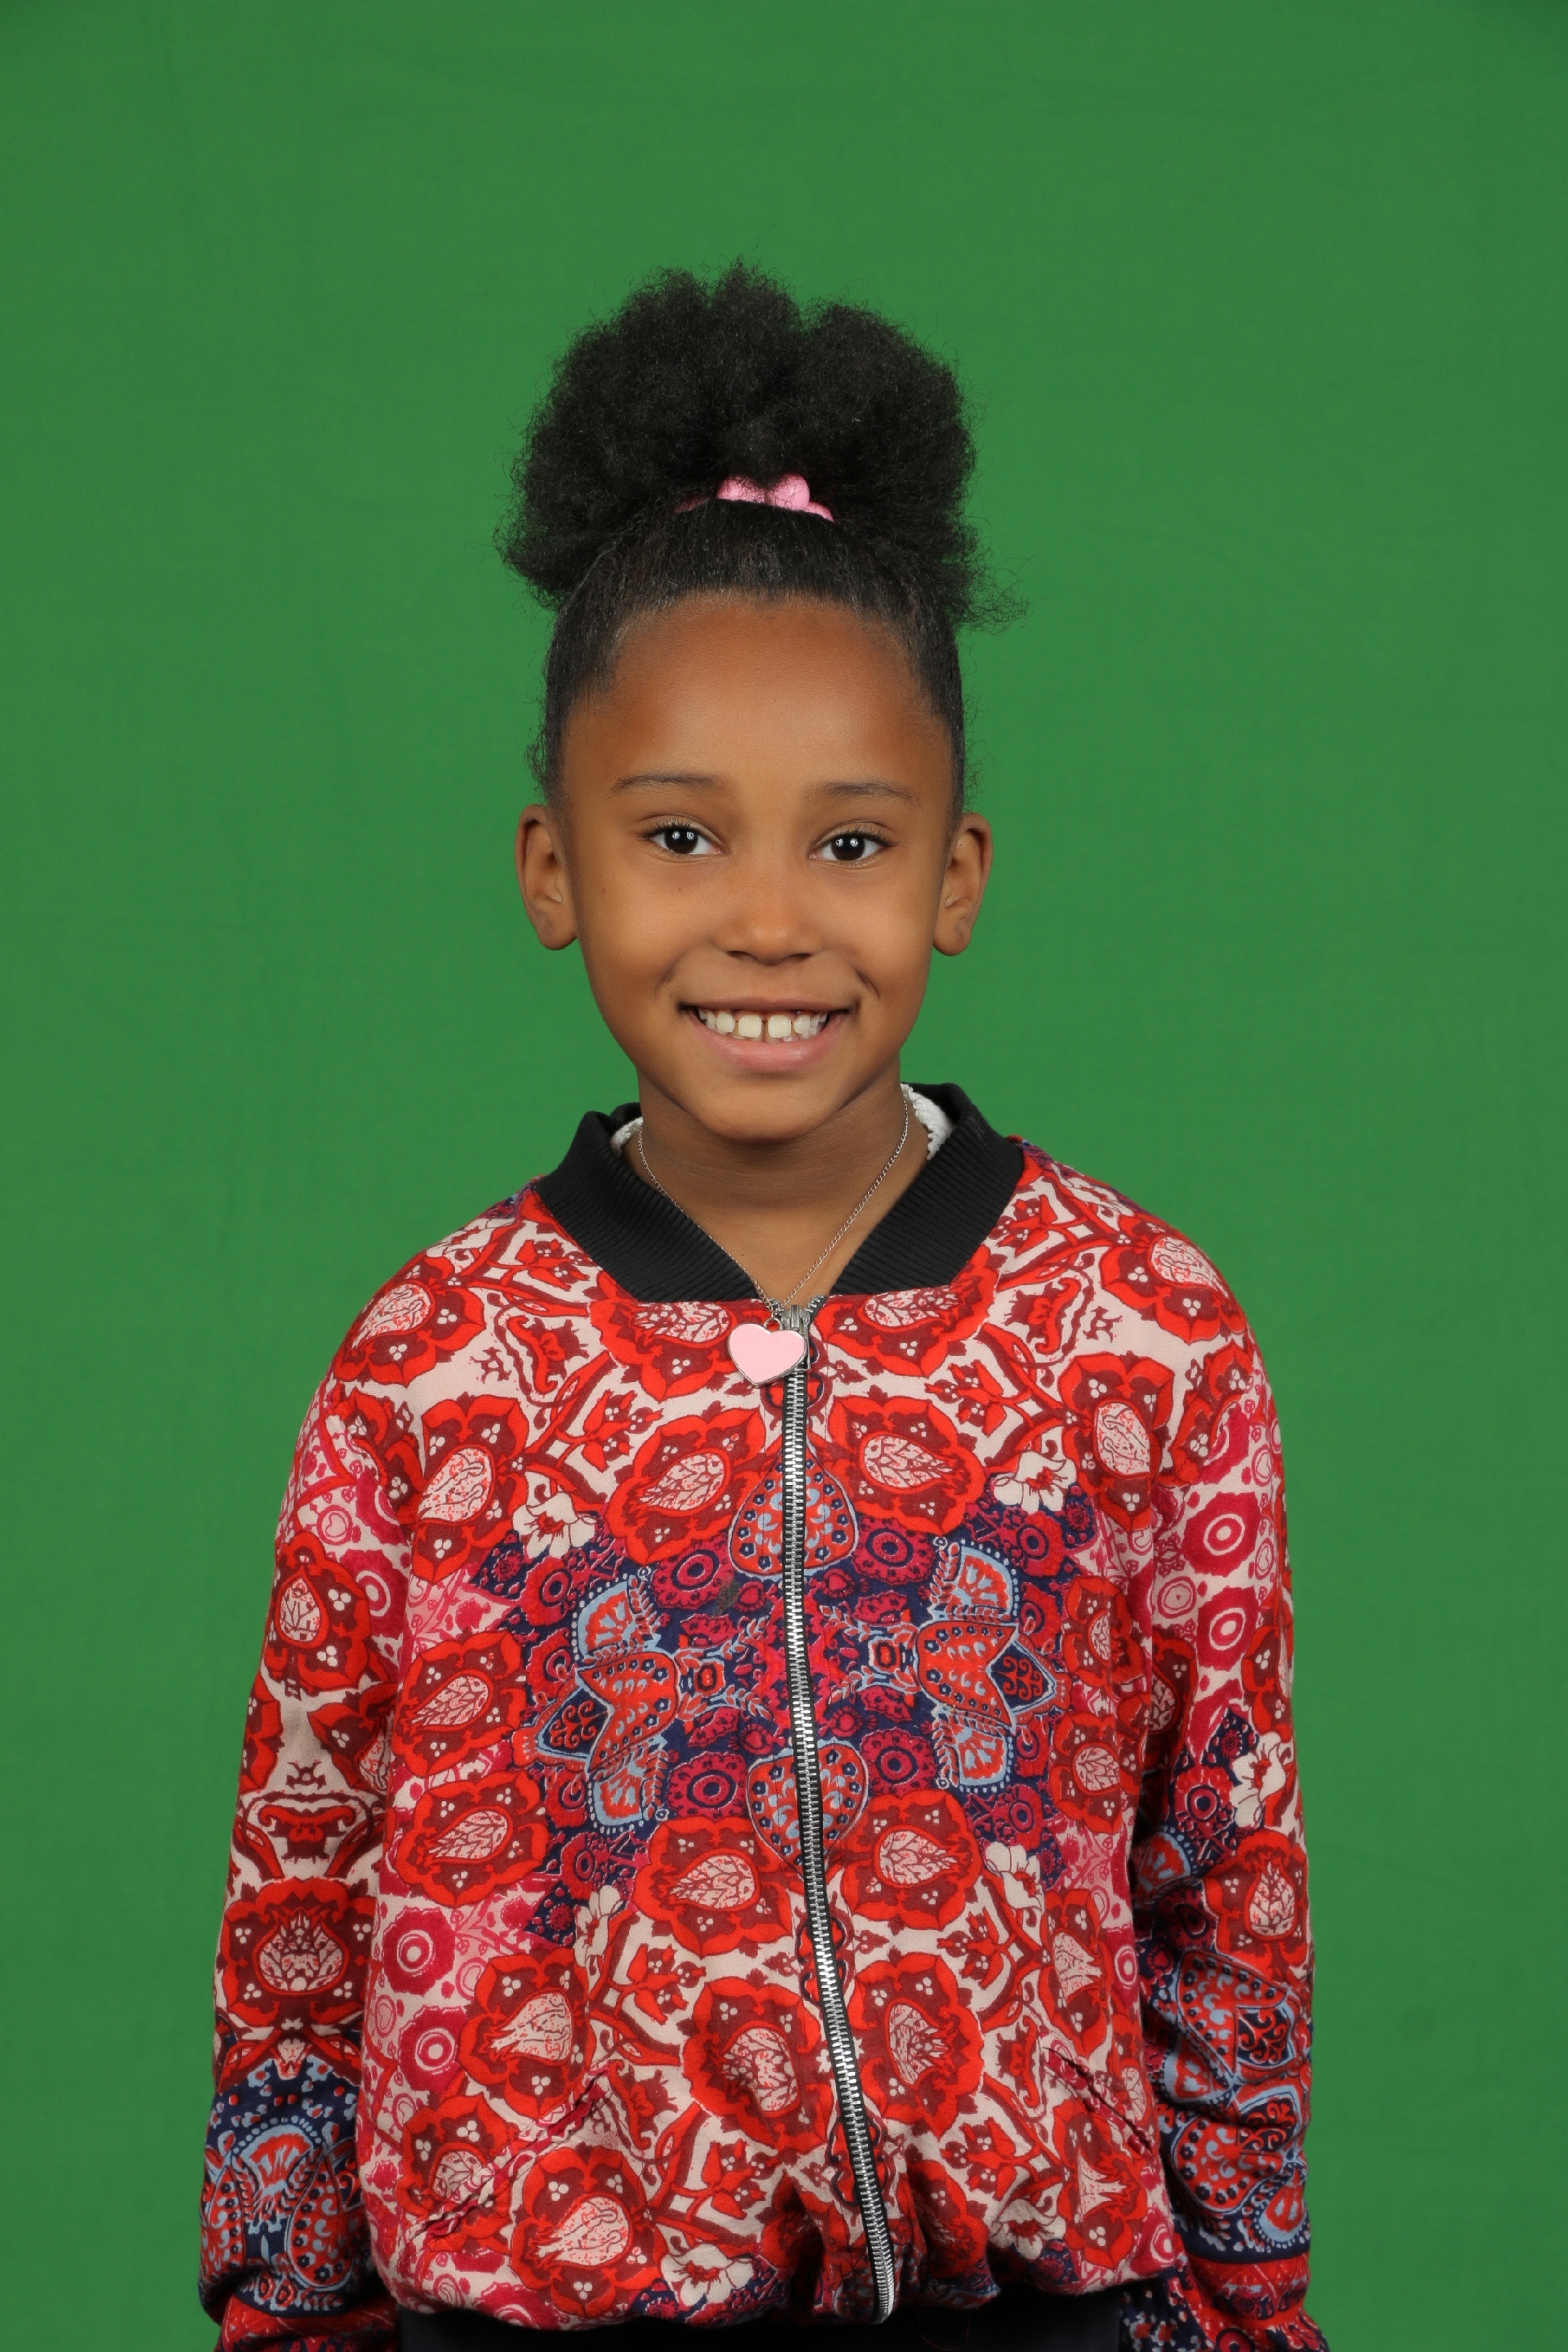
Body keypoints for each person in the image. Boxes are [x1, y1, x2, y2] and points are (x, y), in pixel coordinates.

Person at [200, 265, 1324, 2352]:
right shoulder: (430, 1360)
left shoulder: (1139, 1329)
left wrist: (1249, 2302)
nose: (772, 919)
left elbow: (1226, 1871)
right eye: (680, 834)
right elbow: (302, 1893)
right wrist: (288, 2312)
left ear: (956, 878)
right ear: (554, 869)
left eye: (854, 842)